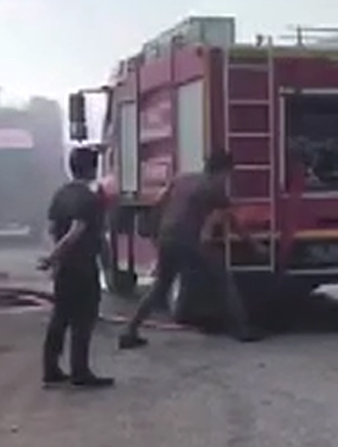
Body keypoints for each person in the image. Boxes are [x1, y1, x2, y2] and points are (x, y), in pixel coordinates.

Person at [118, 149, 265, 349]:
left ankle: (130, 330)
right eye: (228, 174)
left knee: (161, 285)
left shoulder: (182, 180)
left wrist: (155, 233)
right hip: (189, 240)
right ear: (223, 171)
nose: (227, 178)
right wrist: (254, 245)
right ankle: (241, 329)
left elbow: (158, 203)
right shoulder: (213, 188)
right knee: (223, 278)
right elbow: (232, 222)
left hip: (167, 237)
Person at [39, 146, 114, 388]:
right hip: (82, 266)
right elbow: (77, 232)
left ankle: (50, 369)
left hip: (65, 268)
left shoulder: (61, 194)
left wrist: (55, 259)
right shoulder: (89, 199)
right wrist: (53, 256)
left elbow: (51, 229)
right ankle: (80, 372)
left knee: (60, 316)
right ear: (93, 169)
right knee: (83, 319)